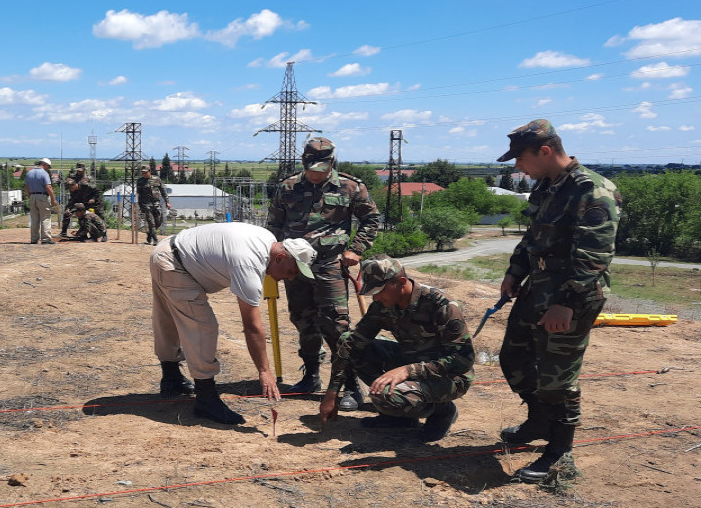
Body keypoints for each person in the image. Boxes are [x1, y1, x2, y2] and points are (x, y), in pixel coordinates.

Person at [495, 119, 621, 483]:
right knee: (514, 356)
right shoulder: (548, 187)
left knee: (557, 375)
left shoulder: (592, 191)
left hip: (573, 297)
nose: (518, 167)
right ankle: (538, 420)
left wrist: (566, 302)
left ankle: (559, 451)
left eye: (520, 159)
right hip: (538, 289)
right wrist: (515, 271)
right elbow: (533, 237)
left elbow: (595, 255)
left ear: (544, 151)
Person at [150, 223, 316, 425]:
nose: (290, 278)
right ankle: (206, 399)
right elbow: (252, 326)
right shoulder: (249, 262)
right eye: (292, 271)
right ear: (280, 258)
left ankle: (171, 379)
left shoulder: (267, 239)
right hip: (174, 262)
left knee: (168, 317)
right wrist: (264, 372)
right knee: (202, 326)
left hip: (169, 250)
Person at [267, 137, 379, 407]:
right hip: (294, 267)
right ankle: (311, 376)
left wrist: (357, 249)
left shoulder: (351, 187)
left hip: (331, 265)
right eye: (311, 168)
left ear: (332, 163)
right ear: (303, 162)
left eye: (321, 168)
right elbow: (273, 226)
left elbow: (371, 218)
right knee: (303, 320)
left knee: (336, 325)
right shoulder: (288, 186)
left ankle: (350, 385)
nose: (315, 174)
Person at [319, 256, 474, 441]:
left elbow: (462, 360)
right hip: (410, 359)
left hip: (449, 376)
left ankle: (442, 412)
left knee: (386, 395)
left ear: (401, 283)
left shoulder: (441, 304)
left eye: (379, 291)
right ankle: (399, 416)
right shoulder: (382, 305)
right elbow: (353, 344)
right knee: (351, 342)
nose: (376, 297)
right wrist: (332, 393)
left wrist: (408, 371)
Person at [61, 164, 101, 238]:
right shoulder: (73, 178)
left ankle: (103, 234)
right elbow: (72, 193)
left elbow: (96, 190)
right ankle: (64, 232)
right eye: (78, 170)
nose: (79, 172)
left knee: (98, 215)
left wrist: (93, 199)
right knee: (68, 212)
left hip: (89, 200)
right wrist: (70, 206)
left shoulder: (88, 179)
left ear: (84, 170)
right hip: (77, 200)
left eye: (81, 170)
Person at [136, 164, 171, 245]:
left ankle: (150, 233)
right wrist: (140, 206)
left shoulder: (157, 179)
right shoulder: (140, 181)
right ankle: (155, 240)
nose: (144, 174)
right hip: (146, 204)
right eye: (142, 173)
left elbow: (163, 191)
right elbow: (139, 194)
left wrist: (167, 202)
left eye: (145, 172)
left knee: (159, 221)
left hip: (156, 204)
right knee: (151, 223)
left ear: (149, 171)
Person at [25, 158, 58, 244]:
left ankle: (34, 239)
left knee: (34, 219)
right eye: (48, 166)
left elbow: (27, 187)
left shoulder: (29, 172)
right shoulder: (44, 173)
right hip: (42, 197)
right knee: (45, 218)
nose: (48, 168)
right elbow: (48, 187)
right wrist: (54, 199)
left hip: (32, 196)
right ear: (45, 164)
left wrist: (30, 196)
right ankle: (45, 239)